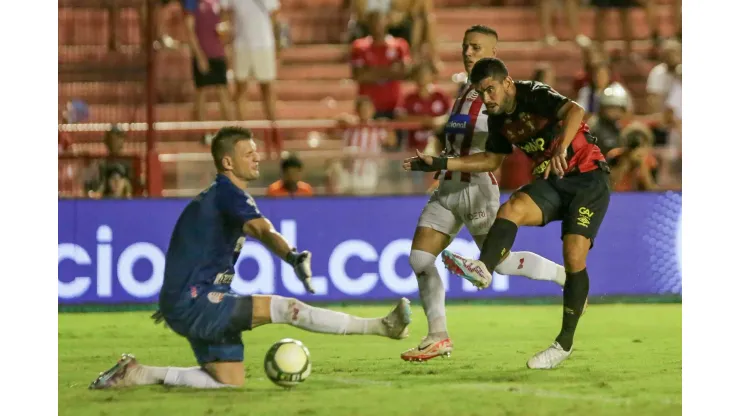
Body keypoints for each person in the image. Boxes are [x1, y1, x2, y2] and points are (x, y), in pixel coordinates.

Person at [89, 127, 412, 390]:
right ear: (228, 162)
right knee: (286, 308)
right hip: (196, 300)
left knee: (229, 383)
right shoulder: (229, 193)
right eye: (249, 153)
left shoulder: (217, 197)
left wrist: (174, 297)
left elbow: (193, 244)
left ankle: (139, 373)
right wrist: (292, 256)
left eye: (256, 151)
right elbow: (262, 229)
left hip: (189, 299)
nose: (257, 157)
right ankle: (383, 326)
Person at [405, 58, 610, 369]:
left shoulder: (533, 93)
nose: (487, 99)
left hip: (587, 178)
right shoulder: (499, 120)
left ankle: (563, 343)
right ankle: (483, 269)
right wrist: (440, 164)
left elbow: (575, 111)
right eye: (481, 93)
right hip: (553, 181)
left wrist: (561, 148)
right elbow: (490, 161)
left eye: (491, 90)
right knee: (512, 207)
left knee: (573, 255)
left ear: (508, 83)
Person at [398, 26, 567, 363]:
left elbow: (494, 157)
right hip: (447, 187)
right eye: (465, 46)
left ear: (494, 51)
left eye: (476, 47)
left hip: (477, 190)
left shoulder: (501, 97)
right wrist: (438, 164)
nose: (468, 52)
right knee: (419, 259)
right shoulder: (465, 89)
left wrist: (445, 160)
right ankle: (438, 336)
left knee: (500, 263)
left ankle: (567, 277)